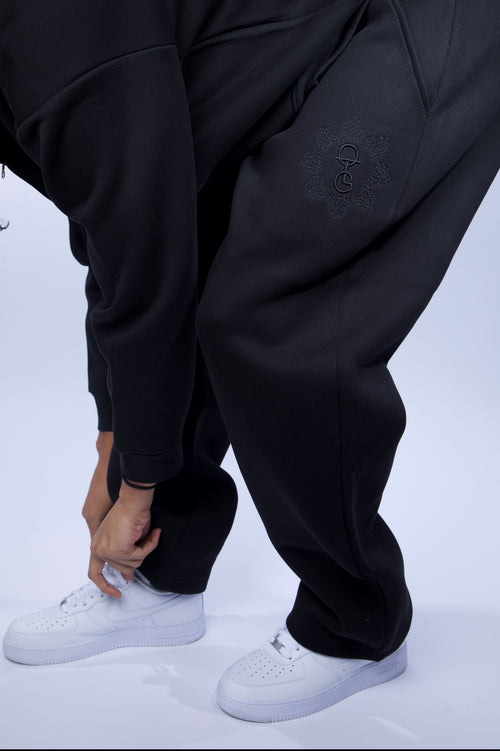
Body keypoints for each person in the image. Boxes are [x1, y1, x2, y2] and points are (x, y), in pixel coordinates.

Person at [1, 0, 499, 723]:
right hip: (307, 37)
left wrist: (134, 485)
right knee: (195, 247)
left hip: (429, 19)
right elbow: (115, 226)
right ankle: (161, 572)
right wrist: (115, 441)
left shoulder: (51, 26)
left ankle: (357, 622)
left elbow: (141, 264)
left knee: (271, 316)